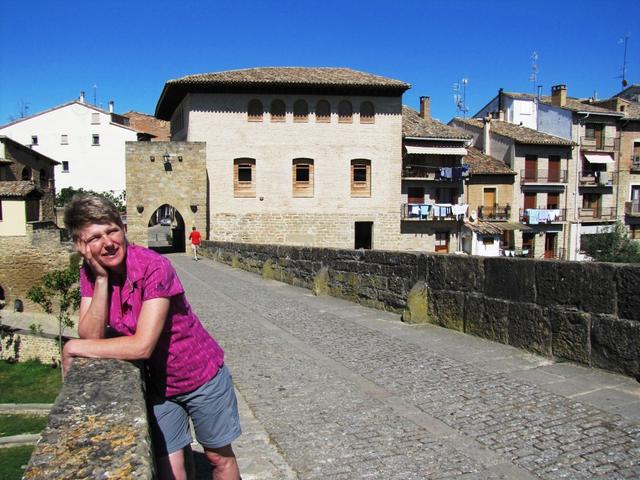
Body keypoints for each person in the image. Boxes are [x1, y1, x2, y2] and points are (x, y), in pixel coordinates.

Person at [61, 194, 241, 480]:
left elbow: (142, 345)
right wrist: (102, 279)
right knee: (169, 469)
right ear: (81, 246)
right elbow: (91, 334)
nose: (107, 242)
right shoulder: (91, 273)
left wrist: (73, 347)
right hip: (160, 386)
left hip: (202, 376)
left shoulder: (154, 267)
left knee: (219, 458)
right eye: (94, 237)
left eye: (112, 230)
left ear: (124, 229)